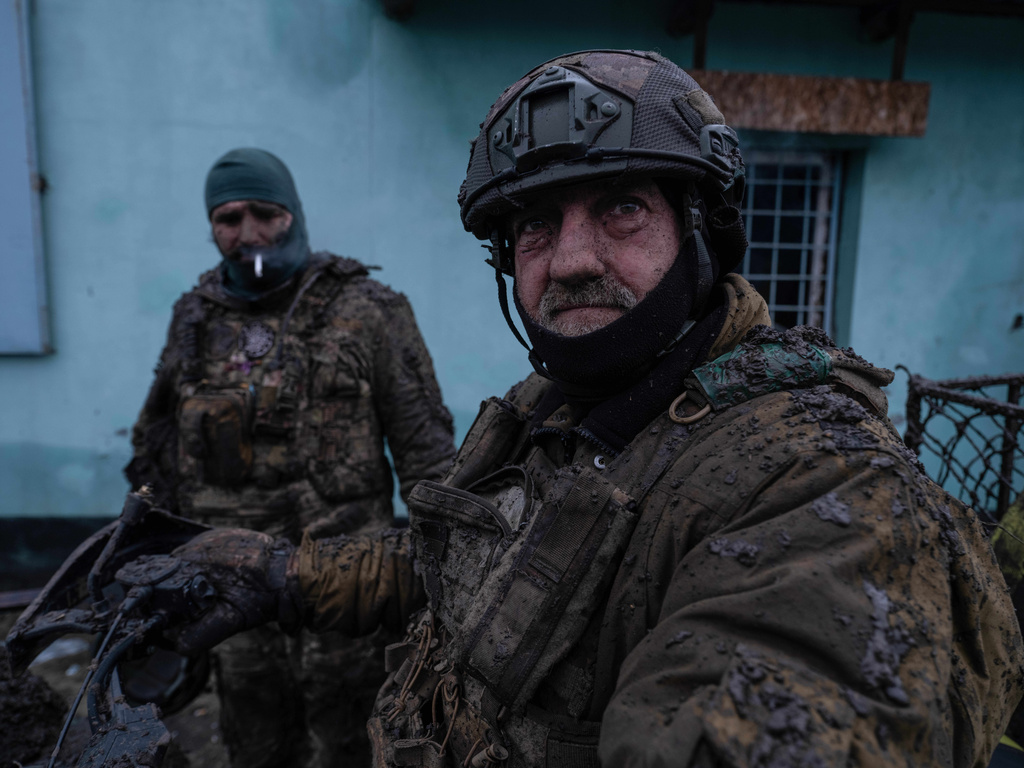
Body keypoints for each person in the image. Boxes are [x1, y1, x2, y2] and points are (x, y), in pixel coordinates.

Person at [149, 54, 1023, 767]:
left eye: (622, 209)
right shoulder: (558, 409)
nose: (568, 260)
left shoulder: (819, 480)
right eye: (534, 225)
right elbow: (462, 557)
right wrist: (283, 575)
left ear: (701, 231)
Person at [126, 148, 456, 767]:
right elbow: (158, 447)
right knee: (255, 741)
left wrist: (443, 586)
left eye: (265, 213)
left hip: (346, 585)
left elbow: (428, 454)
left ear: (294, 214)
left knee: (353, 739)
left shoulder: (369, 309)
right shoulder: (194, 318)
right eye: (228, 218)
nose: (248, 234)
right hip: (232, 598)